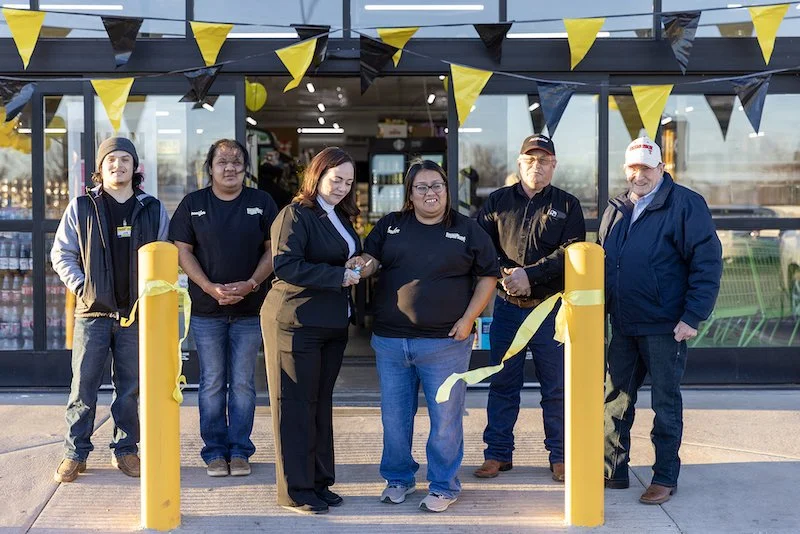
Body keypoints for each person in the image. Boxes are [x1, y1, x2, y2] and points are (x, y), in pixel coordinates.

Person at [352, 160, 497, 513]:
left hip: (446, 343)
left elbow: (488, 277)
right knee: (394, 417)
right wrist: (362, 265)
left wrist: (468, 320)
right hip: (390, 341)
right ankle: (398, 479)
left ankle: (444, 485)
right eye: (422, 187)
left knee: (446, 419)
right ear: (410, 194)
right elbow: (371, 259)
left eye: (437, 186)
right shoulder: (391, 226)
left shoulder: (467, 229)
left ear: (447, 191)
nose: (430, 193)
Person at [600, 137, 722, 504]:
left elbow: (707, 262)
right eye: (633, 168)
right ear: (626, 170)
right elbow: (606, 262)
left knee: (665, 405)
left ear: (661, 169)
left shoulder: (686, 204)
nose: (640, 175)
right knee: (615, 401)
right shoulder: (617, 207)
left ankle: (664, 477)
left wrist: (693, 316)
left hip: (665, 327)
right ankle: (613, 471)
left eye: (647, 168)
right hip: (623, 324)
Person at [51, 137, 169, 482]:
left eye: (125, 160)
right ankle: (75, 453)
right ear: (100, 169)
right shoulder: (81, 207)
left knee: (130, 387)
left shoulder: (153, 208)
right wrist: (81, 287)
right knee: (83, 388)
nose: (118, 166)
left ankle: (126, 449)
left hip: (135, 314)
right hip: (93, 315)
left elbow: (163, 254)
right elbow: (62, 254)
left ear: (136, 167)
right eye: (111, 160)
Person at [474, 134, 586, 482]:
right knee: (502, 383)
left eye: (544, 160)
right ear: (519, 163)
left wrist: (531, 275)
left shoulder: (568, 205)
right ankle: (497, 454)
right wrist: (508, 274)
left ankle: (561, 456)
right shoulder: (496, 202)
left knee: (555, 387)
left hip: (551, 312)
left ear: (554, 165)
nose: (537, 166)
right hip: (507, 308)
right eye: (530, 159)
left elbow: (571, 252)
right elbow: (481, 246)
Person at [261, 147, 362, 515]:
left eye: (348, 182)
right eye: (336, 180)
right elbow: (286, 265)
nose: (342, 188)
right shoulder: (294, 215)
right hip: (294, 322)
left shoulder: (340, 214)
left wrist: (354, 262)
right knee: (294, 407)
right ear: (316, 176)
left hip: (330, 322)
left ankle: (319, 482)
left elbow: (339, 257)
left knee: (319, 406)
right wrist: (339, 275)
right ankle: (296, 491)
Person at [169, 139, 277, 478]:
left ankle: (241, 450)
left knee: (243, 383)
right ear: (210, 167)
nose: (229, 167)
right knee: (213, 382)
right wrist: (207, 287)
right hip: (206, 310)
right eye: (222, 161)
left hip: (249, 311)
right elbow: (182, 251)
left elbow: (274, 249)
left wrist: (252, 284)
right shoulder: (193, 204)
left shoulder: (261, 202)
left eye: (236, 161)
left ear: (246, 167)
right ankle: (214, 452)